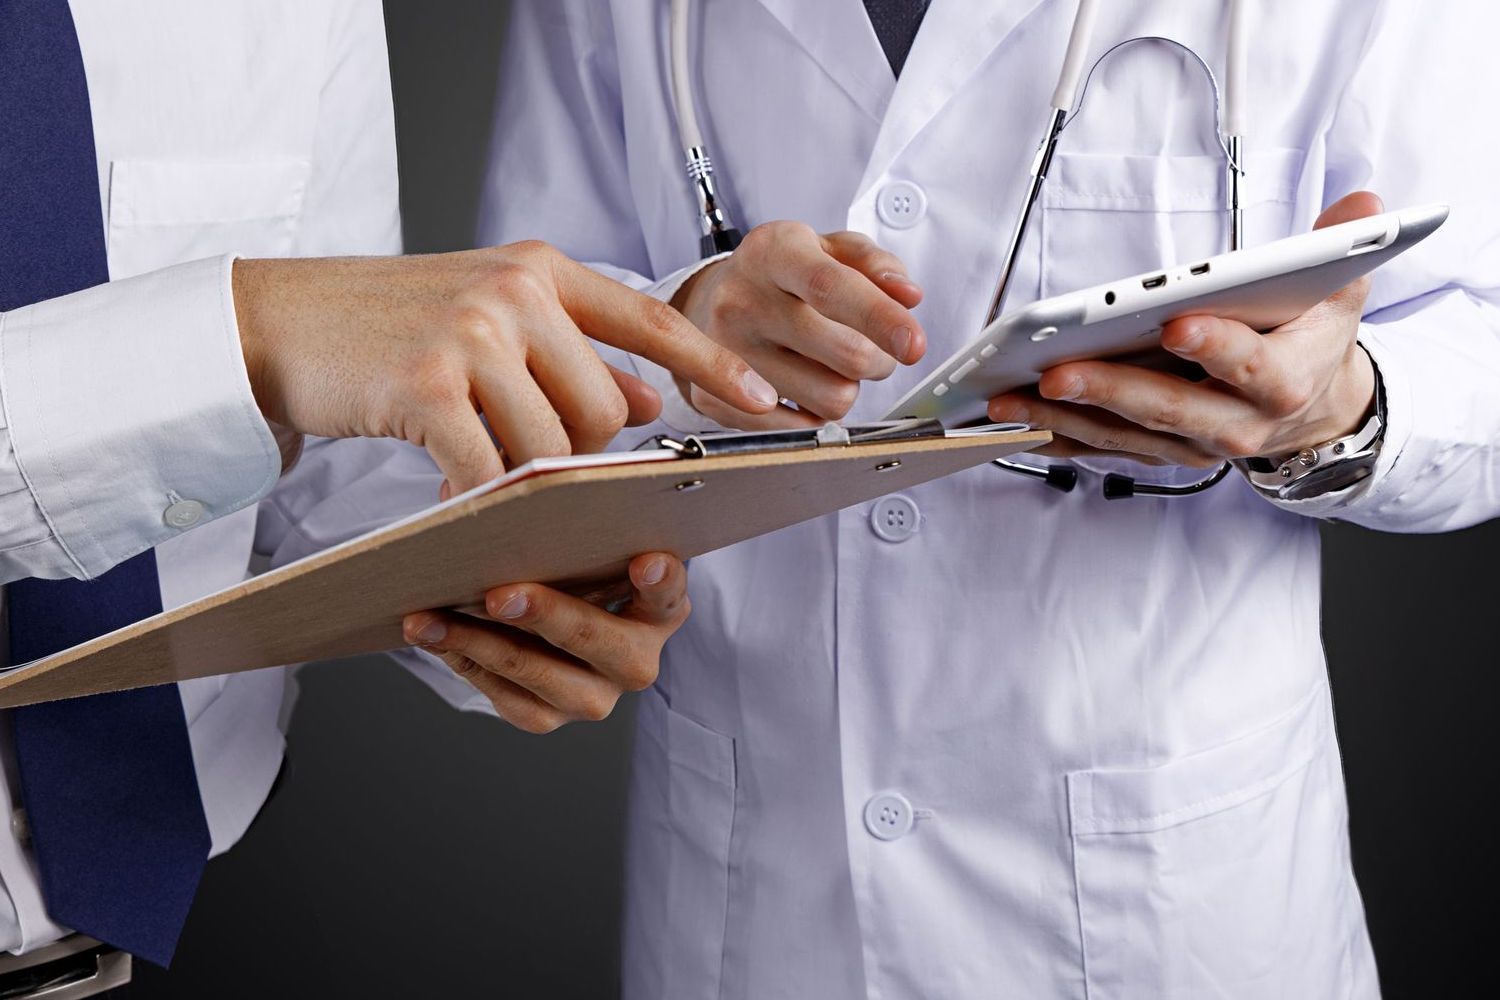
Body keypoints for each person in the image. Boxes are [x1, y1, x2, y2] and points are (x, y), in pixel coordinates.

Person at [483, 1, 1500, 996]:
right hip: (766, 898)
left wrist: (1341, 408)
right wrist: (672, 331)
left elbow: (1480, 332)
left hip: (1170, 905)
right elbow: (514, 323)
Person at [0, 0, 774, 990]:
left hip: (105, 963)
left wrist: (533, 538)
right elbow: (266, 350)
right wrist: (244, 337)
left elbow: (311, 449)